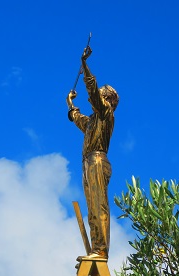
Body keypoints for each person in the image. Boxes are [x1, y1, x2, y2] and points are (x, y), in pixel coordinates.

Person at [66, 45, 119, 260]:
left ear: (107, 100)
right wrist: (70, 102)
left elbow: (91, 87)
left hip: (98, 160)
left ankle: (101, 250)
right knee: (91, 208)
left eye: (101, 95)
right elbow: (76, 117)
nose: (98, 97)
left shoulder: (106, 114)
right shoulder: (92, 122)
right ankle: (96, 248)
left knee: (99, 204)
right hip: (87, 162)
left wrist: (85, 65)